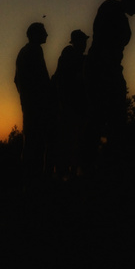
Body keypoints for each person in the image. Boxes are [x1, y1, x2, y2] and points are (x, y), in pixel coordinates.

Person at [84, 0, 135, 157]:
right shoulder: (111, 9)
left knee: (110, 118)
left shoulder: (114, 12)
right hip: (101, 69)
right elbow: (105, 43)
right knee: (100, 116)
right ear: (131, 1)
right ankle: (91, 162)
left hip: (107, 69)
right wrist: (108, 73)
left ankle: (107, 159)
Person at [14, 22, 51, 180]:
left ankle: (28, 179)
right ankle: (34, 180)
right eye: (44, 31)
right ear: (36, 34)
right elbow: (41, 78)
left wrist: (24, 97)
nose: (47, 34)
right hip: (36, 104)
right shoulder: (35, 50)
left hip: (29, 103)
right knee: (37, 141)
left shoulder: (24, 51)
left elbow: (16, 80)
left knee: (30, 139)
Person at [49, 29, 89, 178]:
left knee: (74, 141)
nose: (84, 44)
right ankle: (65, 173)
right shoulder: (70, 56)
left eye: (85, 41)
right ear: (76, 42)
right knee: (70, 141)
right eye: (82, 41)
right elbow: (67, 81)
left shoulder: (79, 58)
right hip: (70, 107)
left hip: (75, 107)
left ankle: (69, 172)